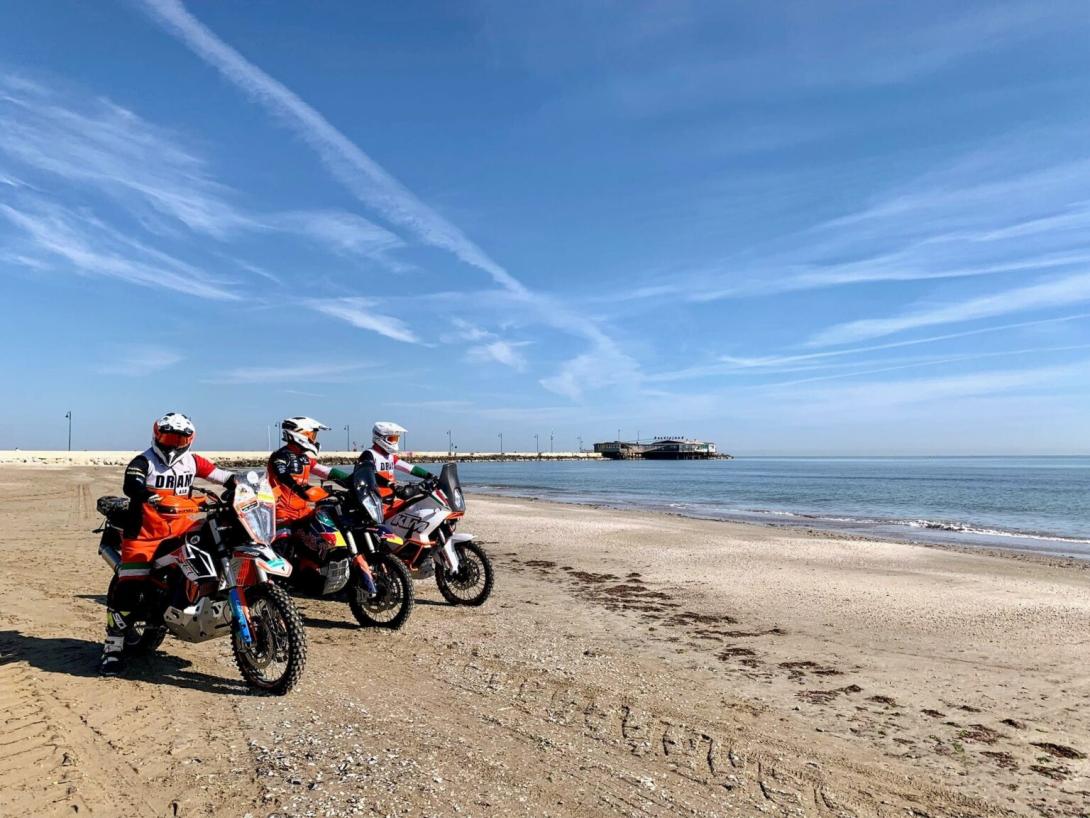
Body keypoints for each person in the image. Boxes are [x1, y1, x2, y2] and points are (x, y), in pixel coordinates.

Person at [101, 412, 234, 676]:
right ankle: (112, 647)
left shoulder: (193, 461)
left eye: (179, 438)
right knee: (130, 584)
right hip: (144, 536)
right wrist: (148, 495)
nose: (173, 444)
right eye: (168, 436)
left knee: (216, 543)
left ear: (189, 439)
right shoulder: (144, 461)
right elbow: (132, 483)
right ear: (157, 434)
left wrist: (243, 483)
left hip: (182, 528)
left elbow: (221, 475)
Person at [267, 417, 349, 526]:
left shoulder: (304, 458)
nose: (314, 439)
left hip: (303, 511)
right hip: (282, 513)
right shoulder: (280, 456)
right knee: (289, 541)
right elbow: (283, 475)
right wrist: (300, 489)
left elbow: (325, 471)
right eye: (312, 435)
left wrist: (352, 479)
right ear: (301, 435)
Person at [359, 422, 435, 503]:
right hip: (376, 502)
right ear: (379, 438)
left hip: (391, 498)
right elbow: (368, 474)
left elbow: (409, 468)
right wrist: (391, 484)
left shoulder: (390, 456)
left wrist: (430, 475)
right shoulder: (369, 454)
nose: (395, 442)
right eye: (391, 439)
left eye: (396, 439)